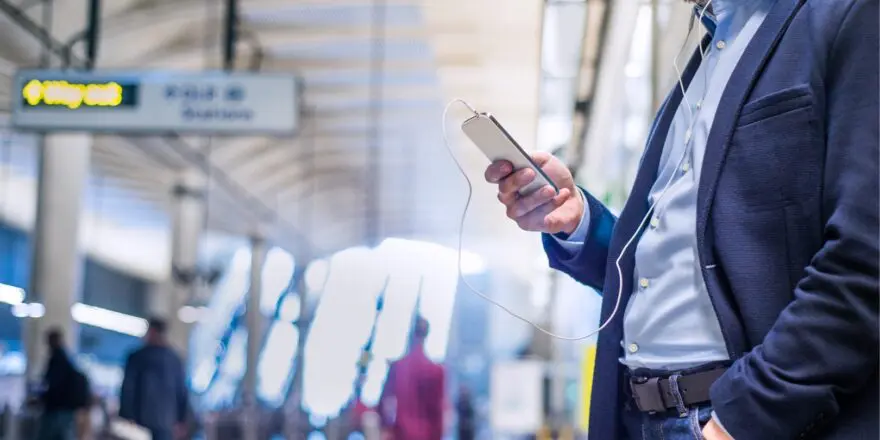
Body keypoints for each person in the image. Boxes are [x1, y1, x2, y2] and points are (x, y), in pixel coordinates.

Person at [484, 0, 878, 439]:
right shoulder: (708, 55)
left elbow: (864, 261)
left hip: (741, 418)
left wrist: (742, 420)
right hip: (640, 417)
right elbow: (667, 270)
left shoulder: (847, 14)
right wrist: (577, 221)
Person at [119, 318, 189, 440]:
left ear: (151, 331)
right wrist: (181, 419)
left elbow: (128, 389)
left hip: (140, 421)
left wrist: (126, 415)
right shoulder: (175, 359)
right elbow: (182, 391)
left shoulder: (137, 357)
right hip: (167, 422)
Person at [378, 317, 446, 440]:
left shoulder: (397, 367)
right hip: (426, 435)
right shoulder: (436, 371)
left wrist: (386, 428)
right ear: (426, 335)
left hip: (400, 434)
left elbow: (384, 402)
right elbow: (438, 410)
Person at [37, 329, 90, 440]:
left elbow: (54, 385)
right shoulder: (66, 358)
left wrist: (42, 398)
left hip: (57, 408)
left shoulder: (58, 359)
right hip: (65, 408)